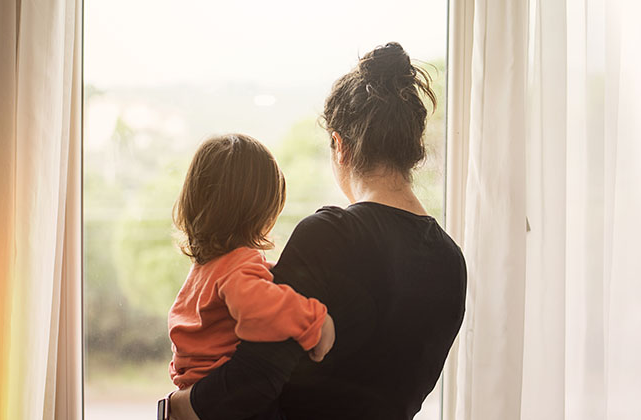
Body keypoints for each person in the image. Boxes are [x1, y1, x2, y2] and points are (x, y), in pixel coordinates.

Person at [169, 42, 467, 420]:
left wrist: (172, 407)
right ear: (412, 149)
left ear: (339, 146)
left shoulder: (331, 236)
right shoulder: (451, 261)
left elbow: (252, 382)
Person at [165, 134, 336, 415]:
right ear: (261, 213)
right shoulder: (238, 266)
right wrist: (314, 321)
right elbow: (263, 308)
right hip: (231, 404)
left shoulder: (205, 268)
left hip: (198, 393)